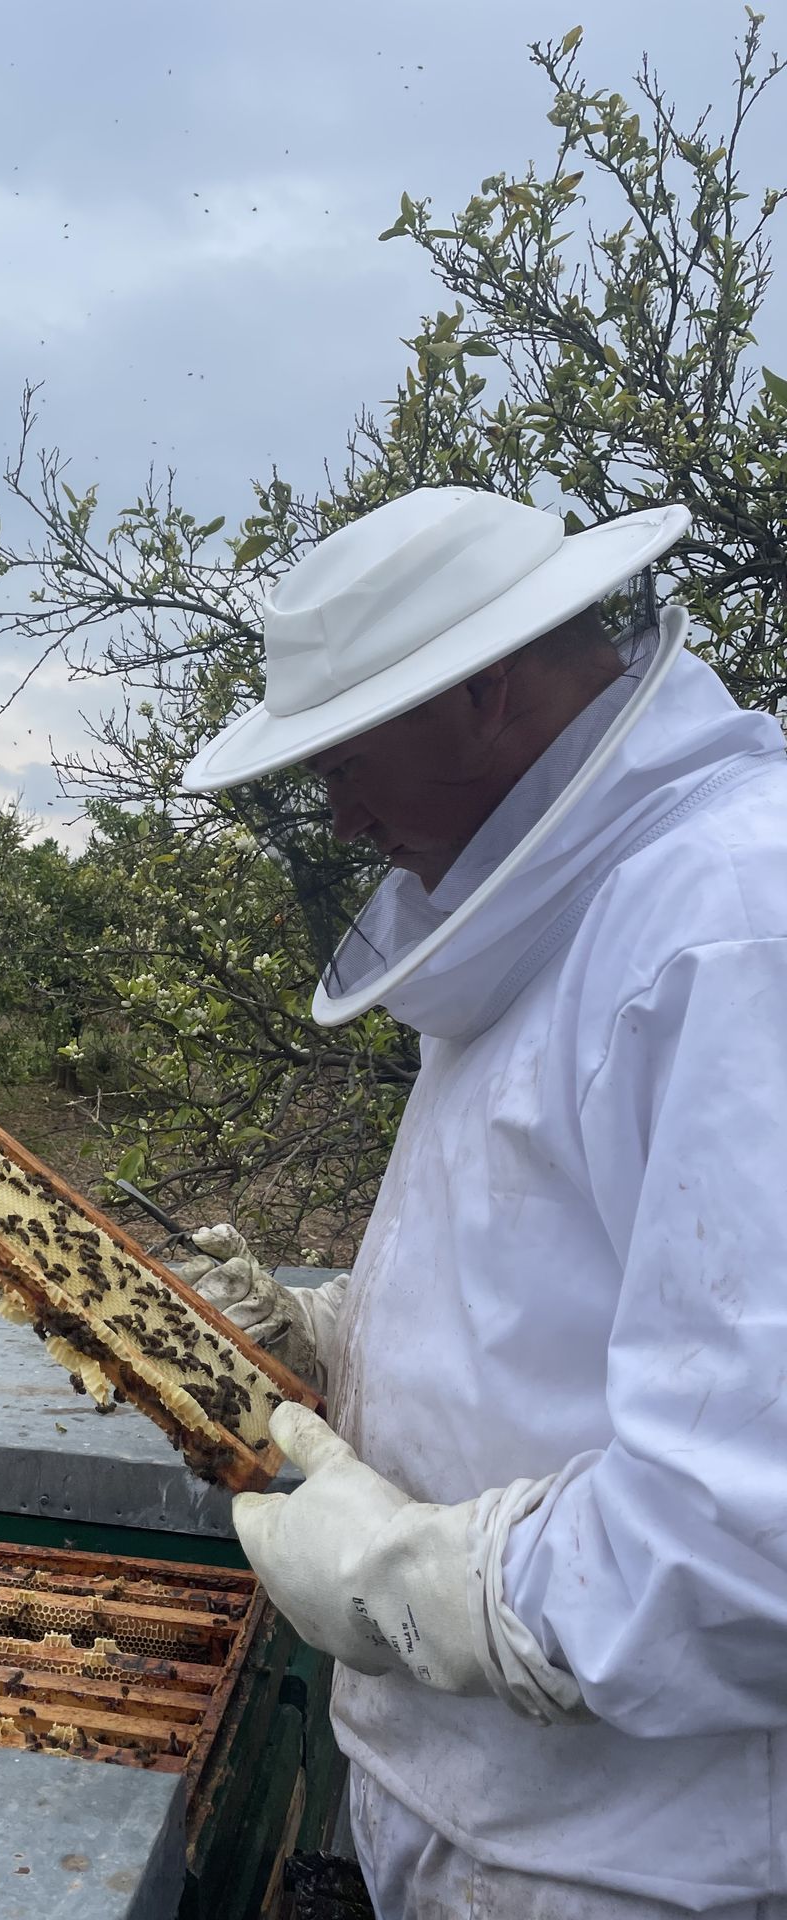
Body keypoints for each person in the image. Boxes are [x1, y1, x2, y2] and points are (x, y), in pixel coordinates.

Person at [174, 486, 787, 1917]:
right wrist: (333, 1336)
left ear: (485, 692)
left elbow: (753, 1531)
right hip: (492, 1817)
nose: (332, 807)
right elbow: (571, 1298)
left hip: (645, 1868)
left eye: (346, 755)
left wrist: (420, 1582)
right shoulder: (569, 900)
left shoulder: (731, 928)